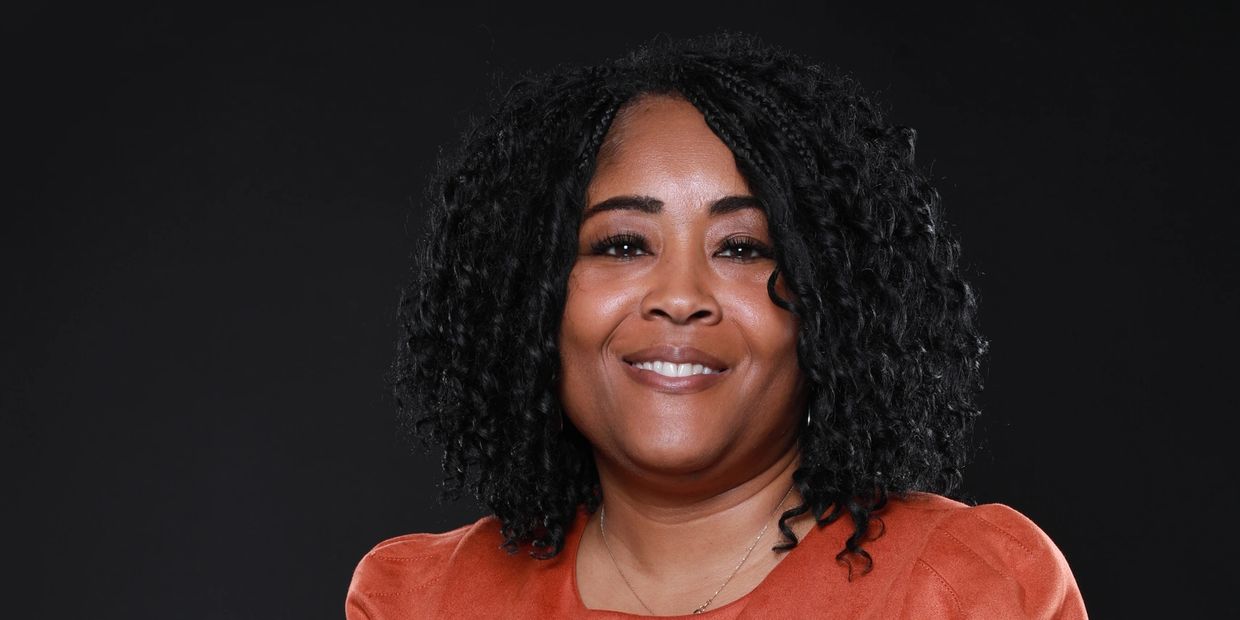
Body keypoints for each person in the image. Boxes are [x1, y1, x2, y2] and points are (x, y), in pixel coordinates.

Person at [346, 32, 1087, 618]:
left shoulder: (964, 590)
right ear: (533, 298)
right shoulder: (420, 600)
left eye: (743, 248)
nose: (681, 296)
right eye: (622, 245)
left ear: (828, 301)